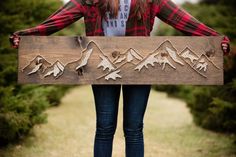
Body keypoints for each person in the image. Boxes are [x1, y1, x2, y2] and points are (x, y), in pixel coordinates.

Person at [10, 0, 230, 156]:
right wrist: (26, 36)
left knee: (134, 128)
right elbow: (59, 19)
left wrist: (215, 38)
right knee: (104, 127)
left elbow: (183, 21)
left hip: (140, 66)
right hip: (102, 67)